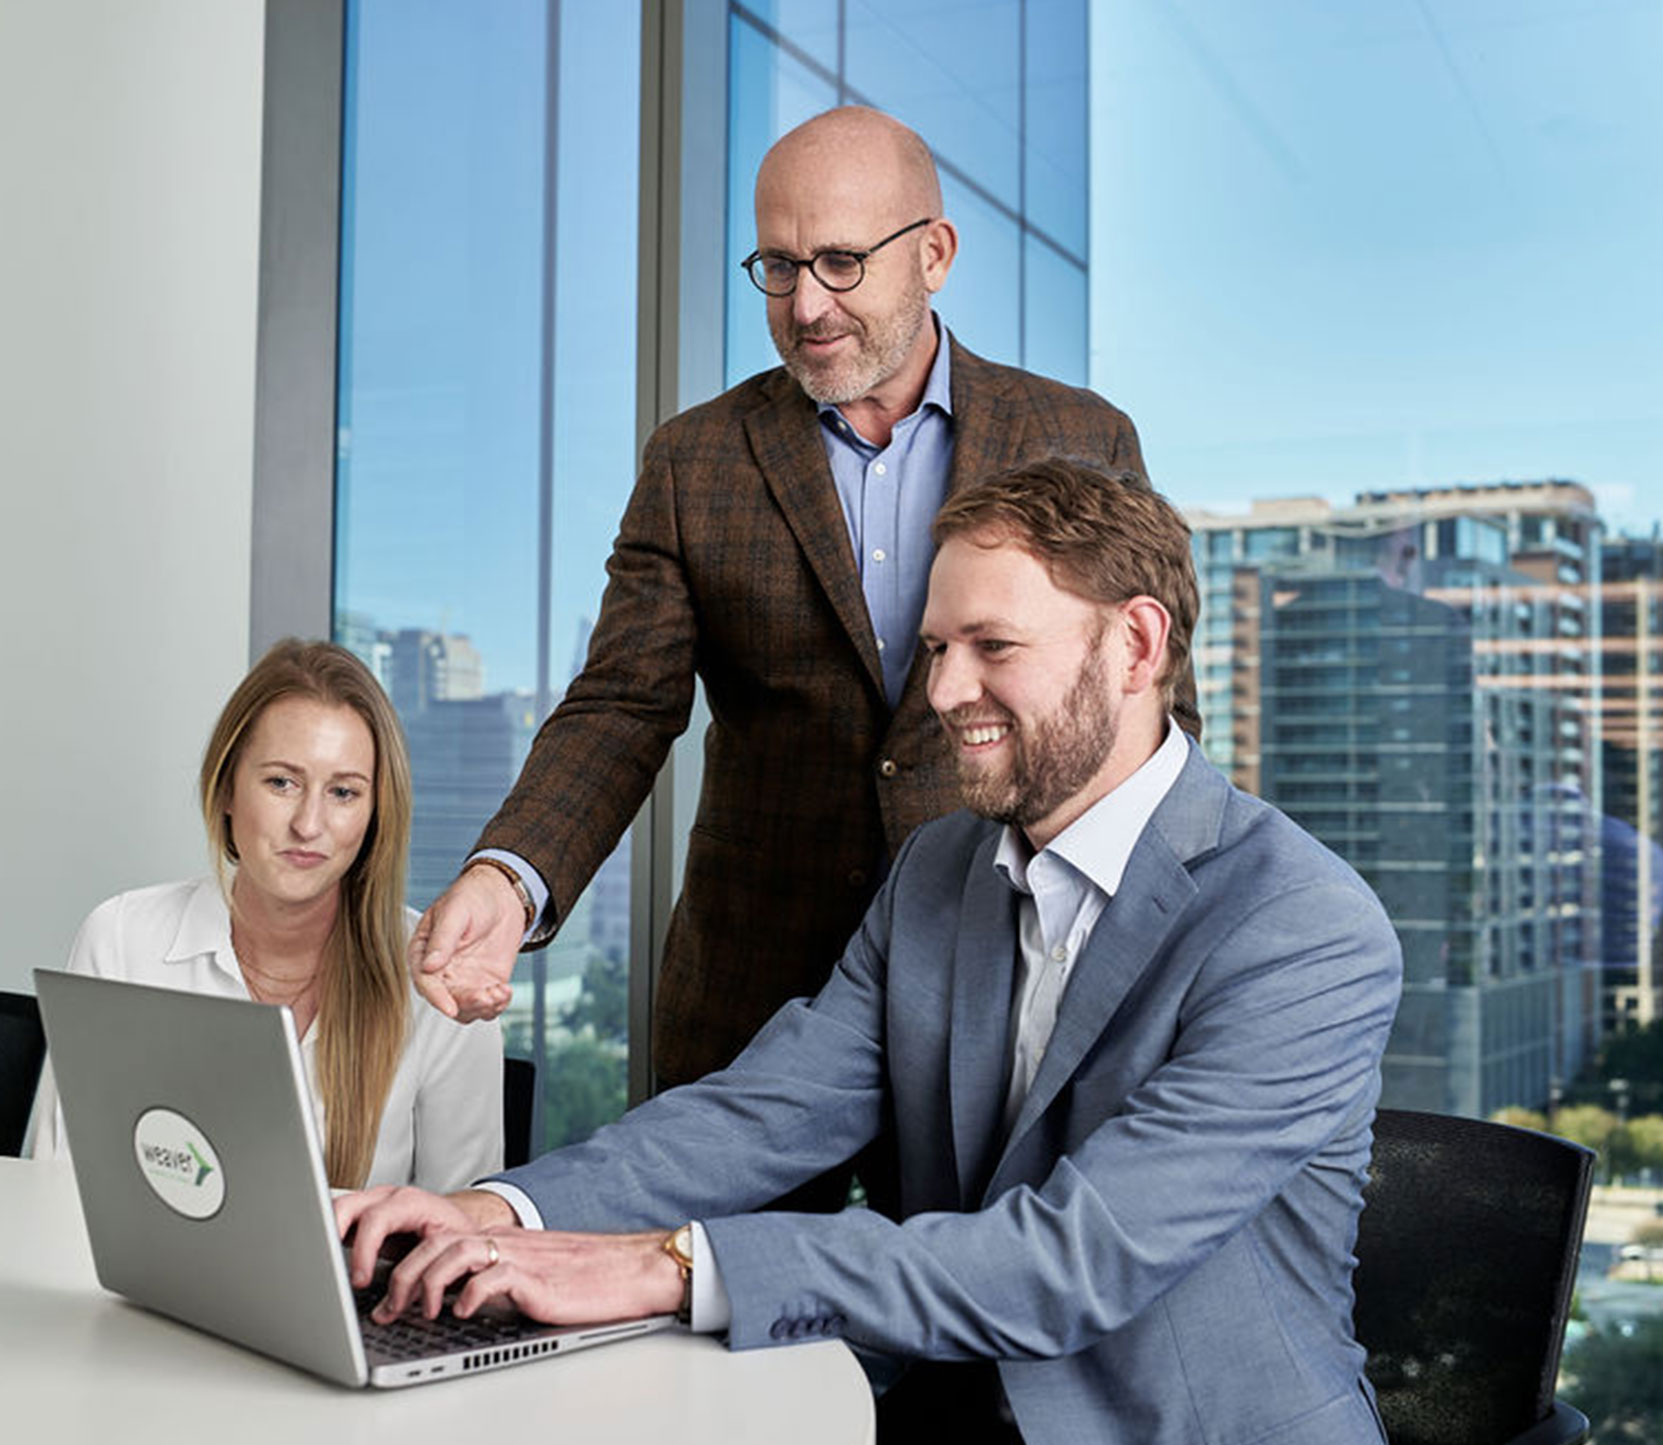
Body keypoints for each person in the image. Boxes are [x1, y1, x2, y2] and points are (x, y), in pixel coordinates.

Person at [336, 461, 1406, 1445]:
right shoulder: (938, 870)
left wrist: (663, 1264)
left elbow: (1065, 1263)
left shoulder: (1301, 928)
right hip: (936, 1429)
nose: (941, 692)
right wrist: (497, 1212)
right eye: (936, 647)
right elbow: (764, 1112)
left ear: (1134, 645)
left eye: (992, 646)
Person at [409, 107, 1197, 1107]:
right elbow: (620, 706)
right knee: (691, 1260)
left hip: (1001, 977)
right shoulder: (695, 459)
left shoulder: (1081, 435)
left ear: (934, 255)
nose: (806, 304)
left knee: (970, 1266)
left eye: (839, 262)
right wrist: (508, 876)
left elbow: (1152, 723)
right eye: (777, 267)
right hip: (752, 992)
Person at [49, 638, 502, 1192]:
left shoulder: (436, 980)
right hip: (145, 1282)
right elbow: (56, 1189)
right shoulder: (122, 941)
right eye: (281, 783)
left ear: (375, 813)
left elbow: (462, 1235)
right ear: (226, 790)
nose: (309, 825)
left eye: (343, 792)